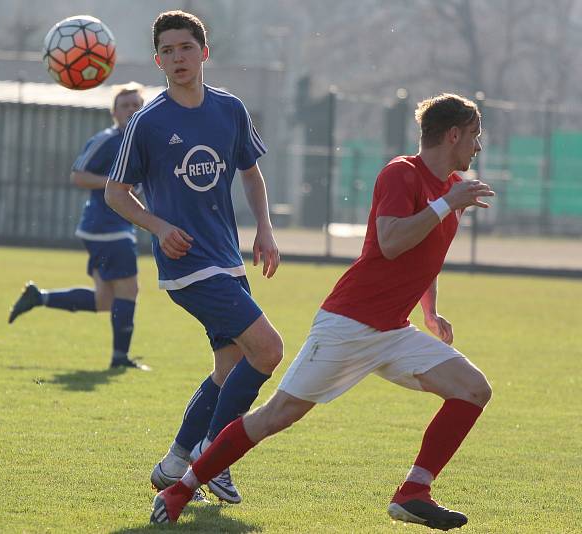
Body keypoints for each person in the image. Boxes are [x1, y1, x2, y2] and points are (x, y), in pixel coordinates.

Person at [152, 93, 495, 530]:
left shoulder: (449, 190)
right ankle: (180, 488)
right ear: (453, 134)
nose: (477, 147)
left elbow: (424, 254)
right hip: (347, 325)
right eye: (473, 136)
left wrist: (431, 310)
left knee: (473, 389)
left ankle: (413, 492)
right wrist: (447, 204)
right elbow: (391, 242)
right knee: (275, 416)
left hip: (393, 331)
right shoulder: (401, 173)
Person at [104, 11, 284, 504]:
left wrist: (265, 230)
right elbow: (115, 194)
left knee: (229, 367)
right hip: (188, 267)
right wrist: (159, 228)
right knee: (267, 349)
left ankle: (175, 463)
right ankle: (214, 457)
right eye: (167, 50)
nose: (177, 58)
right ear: (157, 60)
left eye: (186, 48)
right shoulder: (147, 122)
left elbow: (250, 173)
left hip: (227, 258)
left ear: (203, 53)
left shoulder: (230, 109)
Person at [8, 83, 149, 370]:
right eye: (125, 105)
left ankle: (40, 297)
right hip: (106, 226)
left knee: (105, 300)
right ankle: (119, 359)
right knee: (129, 290)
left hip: (115, 227)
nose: (132, 110)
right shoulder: (107, 140)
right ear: (114, 112)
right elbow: (78, 176)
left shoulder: (145, 143)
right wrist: (115, 185)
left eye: (137, 105)